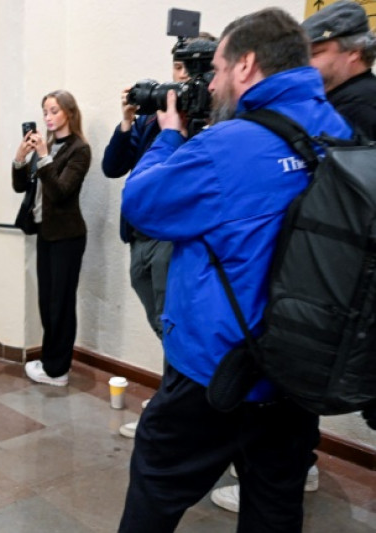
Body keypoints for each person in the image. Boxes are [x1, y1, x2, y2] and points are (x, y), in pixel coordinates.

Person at [117, 8, 352, 532]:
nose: (215, 82)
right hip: (297, 369)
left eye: (219, 68)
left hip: (216, 369)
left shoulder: (227, 146)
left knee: (155, 493)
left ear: (246, 65)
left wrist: (170, 136)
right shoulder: (337, 129)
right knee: (274, 506)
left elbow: (141, 204)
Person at [209, 1, 376, 513]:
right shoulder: (340, 105)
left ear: (352, 52)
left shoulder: (357, 109)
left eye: (318, 51)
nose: (308, 61)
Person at [102, 34, 216, 438]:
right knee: (161, 321)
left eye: (186, 69)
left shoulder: (212, 120)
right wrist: (128, 121)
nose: (178, 79)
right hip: (140, 236)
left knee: (175, 322)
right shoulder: (155, 118)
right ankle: (177, 397)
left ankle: (174, 410)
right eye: (176, 67)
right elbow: (113, 168)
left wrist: (182, 133)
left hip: (172, 237)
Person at [13, 90, 91, 387]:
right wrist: (21, 159)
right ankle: (50, 362)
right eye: (45, 111)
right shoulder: (48, 146)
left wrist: (44, 156)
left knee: (61, 303)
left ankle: (58, 370)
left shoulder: (78, 149)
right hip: (46, 233)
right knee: (47, 301)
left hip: (68, 237)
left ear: (69, 113)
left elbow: (60, 191)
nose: (47, 117)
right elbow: (23, 187)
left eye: (54, 110)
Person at [304, 0, 376, 139]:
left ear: (354, 52)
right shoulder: (347, 98)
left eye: (314, 54)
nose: (305, 62)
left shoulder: (358, 106)